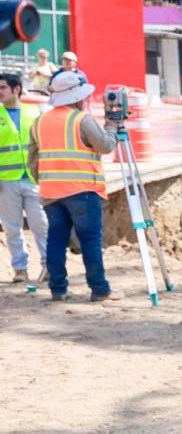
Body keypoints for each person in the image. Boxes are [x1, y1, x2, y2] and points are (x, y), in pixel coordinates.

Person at [27, 69, 120, 303]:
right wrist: (111, 128)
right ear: (77, 97)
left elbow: (32, 160)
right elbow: (106, 146)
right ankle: (99, 289)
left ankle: (58, 290)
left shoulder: (39, 122)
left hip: (50, 193)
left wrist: (45, 180)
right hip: (82, 191)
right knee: (90, 240)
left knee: (56, 240)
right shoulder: (81, 120)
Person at [0, 73, 48, 284]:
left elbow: (43, 146)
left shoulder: (34, 113)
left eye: (2, 88)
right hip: (5, 181)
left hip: (32, 178)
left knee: (41, 225)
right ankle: (20, 270)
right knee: (12, 228)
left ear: (16, 89)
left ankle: (49, 266)